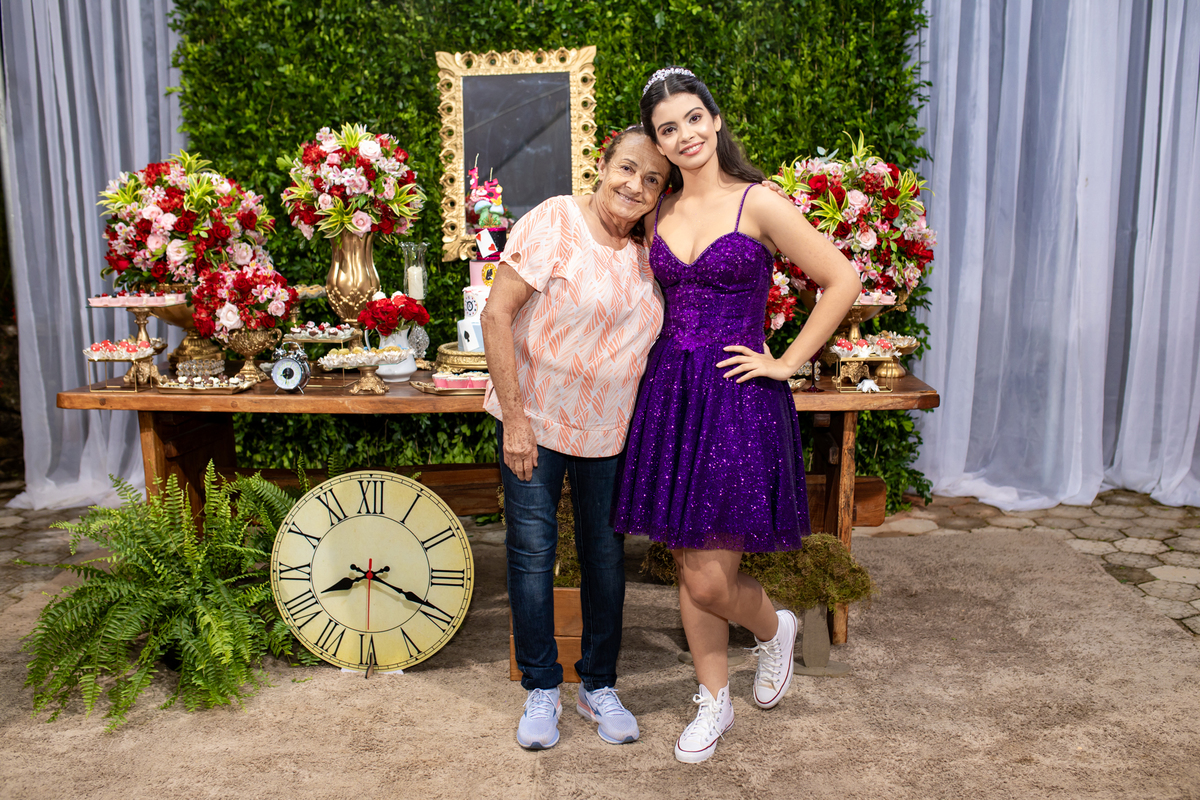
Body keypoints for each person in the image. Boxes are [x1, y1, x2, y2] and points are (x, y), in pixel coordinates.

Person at [612, 67, 861, 763]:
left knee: (711, 577)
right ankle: (714, 698)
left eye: (694, 118)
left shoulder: (760, 203)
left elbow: (842, 279)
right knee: (690, 562)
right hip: (671, 398)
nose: (685, 135)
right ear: (658, 142)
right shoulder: (656, 213)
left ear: (715, 120)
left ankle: (774, 627)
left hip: (736, 398)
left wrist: (789, 362)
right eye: (668, 128)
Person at [480, 126, 671, 751]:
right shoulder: (555, 221)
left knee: (606, 558)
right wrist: (515, 420)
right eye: (627, 169)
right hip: (533, 421)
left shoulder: (654, 250)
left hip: (611, 430)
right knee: (532, 553)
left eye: (652, 180)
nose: (635, 186)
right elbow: (496, 314)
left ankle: (598, 684)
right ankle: (542, 686)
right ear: (603, 165)